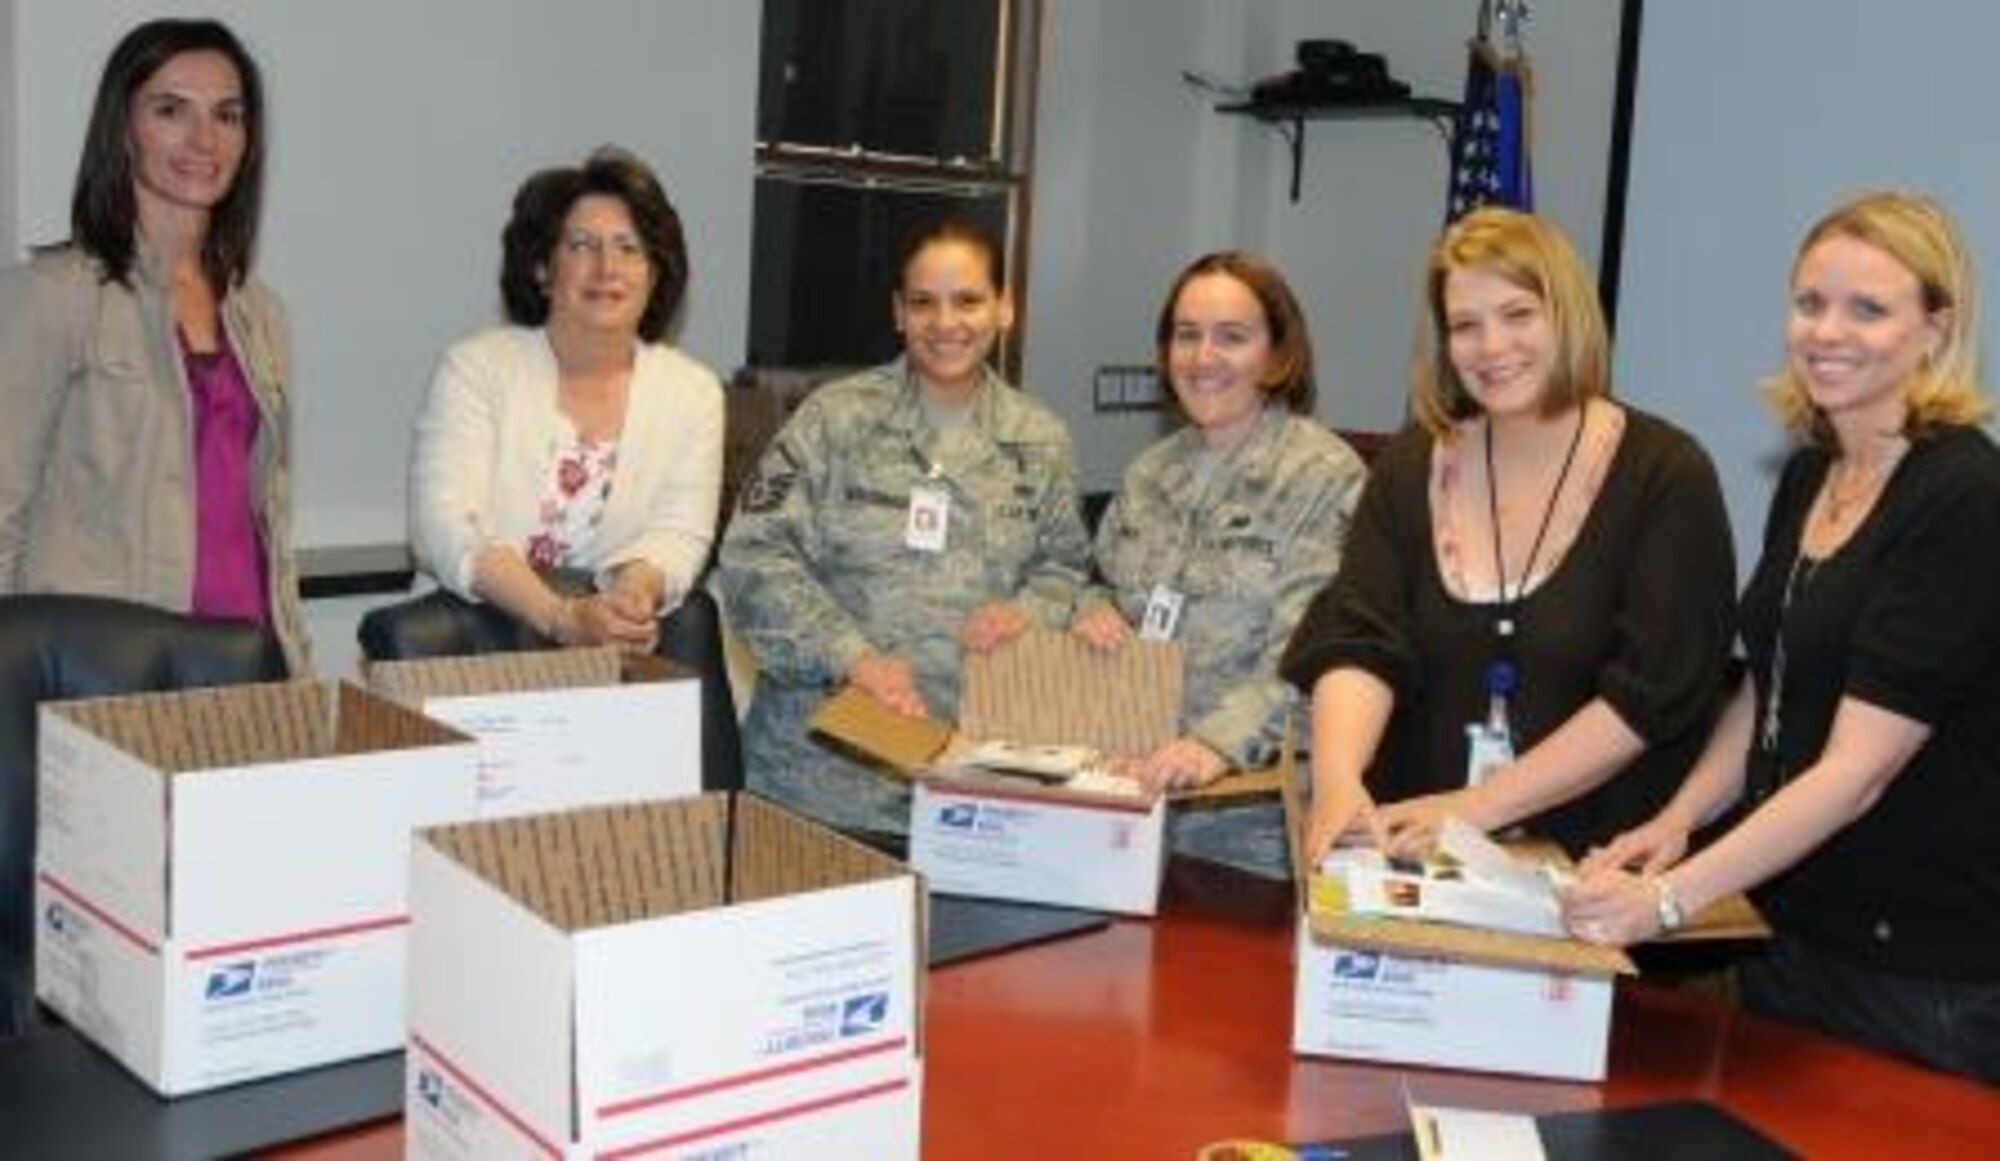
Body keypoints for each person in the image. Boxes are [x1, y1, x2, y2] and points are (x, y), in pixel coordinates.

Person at [1563, 191, 2000, 1084]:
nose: (1827, 331)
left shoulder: (1963, 496)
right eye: (1810, 303)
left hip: (1923, 976)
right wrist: (1677, 822)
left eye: (1868, 309)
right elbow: (1771, 686)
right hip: (1793, 930)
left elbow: (1857, 769)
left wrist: (1670, 900)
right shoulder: (1813, 472)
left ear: (1936, 328)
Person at [1280, 208, 1735, 865]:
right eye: (1466, 325)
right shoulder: (1412, 466)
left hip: (1595, 875)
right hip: (1412, 858)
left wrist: (1473, 811)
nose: (1492, 346)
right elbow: (1360, 638)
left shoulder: (1666, 474)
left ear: (1568, 313)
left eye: (1518, 314)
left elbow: (1650, 697)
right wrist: (1339, 779)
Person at [716, 217, 1092, 840]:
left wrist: (1029, 613)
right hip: (817, 784)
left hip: (972, 788)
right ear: (898, 312)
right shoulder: (834, 421)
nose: (946, 323)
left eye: (969, 300)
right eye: (924, 303)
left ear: (1005, 307)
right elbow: (753, 557)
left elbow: (1064, 569)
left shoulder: (1040, 440)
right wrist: (852, 657)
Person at [0, 18, 309, 671]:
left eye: (228, 116)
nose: (204, 138)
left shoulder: (262, 314)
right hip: (103, 677)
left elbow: (267, 522)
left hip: (249, 663)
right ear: (123, 129)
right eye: (172, 111)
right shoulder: (51, 296)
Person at [1071, 252, 1367, 877]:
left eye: (1231, 337)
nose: (1203, 358)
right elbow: (1096, 580)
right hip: (1123, 806)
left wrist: (1214, 744)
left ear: (1279, 354)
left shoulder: (1325, 478)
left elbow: (1318, 656)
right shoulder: (1151, 472)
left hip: (1251, 831)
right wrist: (1090, 607)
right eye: (1187, 336)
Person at [409, 147, 723, 652]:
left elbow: (679, 535)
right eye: (582, 245)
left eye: (629, 248)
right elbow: (445, 528)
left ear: (655, 273)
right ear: (541, 268)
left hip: (614, 670)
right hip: (470, 659)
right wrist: (561, 618)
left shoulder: (692, 392)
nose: (607, 268)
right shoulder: (475, 369)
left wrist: (632, 594)